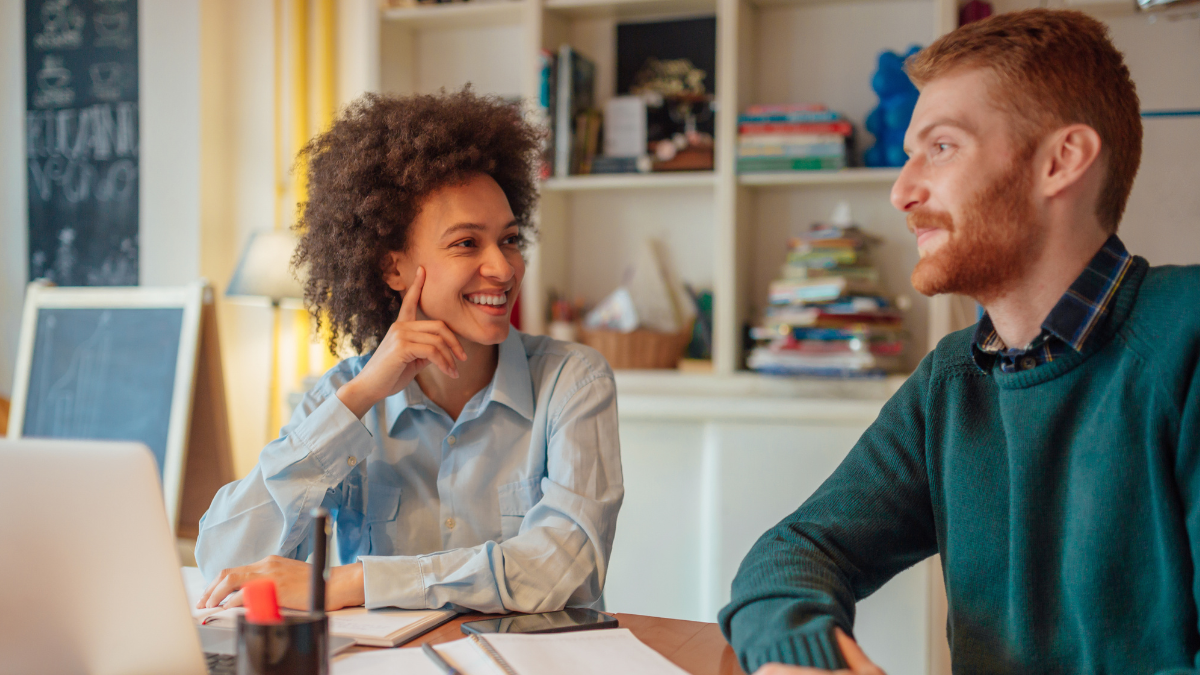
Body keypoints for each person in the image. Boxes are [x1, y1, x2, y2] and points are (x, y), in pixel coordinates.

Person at [720, 9, 1200, 674]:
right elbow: (793, 554)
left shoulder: (1188, 338)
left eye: (941, 148)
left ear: (1061, 160)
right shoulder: (953, 379)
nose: (901, 190)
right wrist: (804, 656)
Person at [194, 90, 623, 615]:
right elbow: (222, 563)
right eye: (467, 243)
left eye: (509, 240)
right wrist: (361, 396)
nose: (504, 268)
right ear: (394, 268)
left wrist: (348, 584)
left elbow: (564, 566)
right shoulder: (340, 397)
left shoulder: (573, 381)